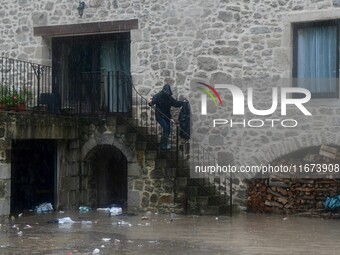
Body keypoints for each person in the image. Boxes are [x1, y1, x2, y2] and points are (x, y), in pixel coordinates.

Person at [148, 84, 184, 150]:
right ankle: (164, 145)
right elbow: (152, 102)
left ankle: (162, 144)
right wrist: (150, 103)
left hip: (166, 116)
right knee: (166, 128)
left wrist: (183, 103)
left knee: (168, 130)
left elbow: (176, 103)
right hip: (159, 115)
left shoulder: (169, 98)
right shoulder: (158, 96)